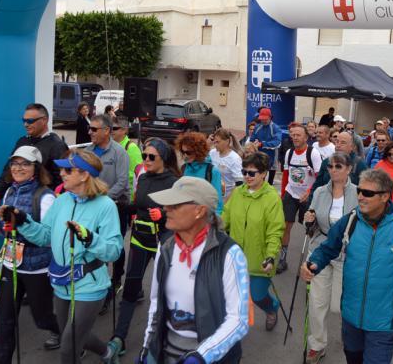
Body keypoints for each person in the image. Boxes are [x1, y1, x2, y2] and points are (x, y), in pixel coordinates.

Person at [301, 169, 393, 364]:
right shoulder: (351, 221)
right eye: (360, 191)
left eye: (368, 193)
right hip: (351, 317)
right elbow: (328, 248)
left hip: (383, 322)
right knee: (353, 359)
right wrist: (313, 264)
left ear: (384, 197)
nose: (361, 197)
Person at [2, 149, 123, 363]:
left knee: (69, 347)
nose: (62, 173)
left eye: (68, 170)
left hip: (89, 286)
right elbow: (45, 236)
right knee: (75, 334)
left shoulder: (106, 206)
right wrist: (23, 221)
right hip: (61, 282)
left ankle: (105, 352)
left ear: (84, 174)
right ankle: (107, 352)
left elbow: (114, 250)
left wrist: (89, 238)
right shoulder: (62, 200)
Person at [140, 177, 250, 364]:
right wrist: (147, 348)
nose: (166, 209)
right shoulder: (165, 248)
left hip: (211, 358)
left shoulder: (230, 254)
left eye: (175, 205)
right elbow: (156, 305)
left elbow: (239, 319)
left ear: (199, 210)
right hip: (166, 354)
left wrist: (201, 356)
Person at [0, 146, 61, 363]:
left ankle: (62, 331)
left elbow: (46, 238)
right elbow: (5, 230)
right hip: (10, 263)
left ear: (36, 168)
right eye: (15, 163)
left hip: (37, 267)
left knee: (41, 318)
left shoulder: (45, 198)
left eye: (25, 164)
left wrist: (22, 222)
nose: (18, 168)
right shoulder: (10, 192)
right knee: (4, 320)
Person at [108, 138, 180, 356]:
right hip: (139, 238)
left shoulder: (176, 181)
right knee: (130, 288)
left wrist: (165, 214)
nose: (146, 160)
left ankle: (164, 339)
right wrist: (119, 206)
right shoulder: (144, 177)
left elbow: (183, 211)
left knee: (165, 293)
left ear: (164, 159)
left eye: (151, 157)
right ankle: (119, 337)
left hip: (164, 241)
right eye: (144, 156)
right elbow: (139, 206)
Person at [303, 153, 358, 364]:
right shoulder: (319, 192)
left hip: (347, 253)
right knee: (317, 303)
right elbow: (311, 226)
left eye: (338, 166)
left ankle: (350, 338)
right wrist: (310, 220)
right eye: (331, 167)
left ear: (349, 169)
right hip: (322, 249)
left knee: (337, 306)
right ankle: (317, 345)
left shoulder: (357, 193)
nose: (333, 170)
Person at [223, 152, 285, 330]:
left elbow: (275, 231)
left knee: (257, 296)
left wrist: (271, 256)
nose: (247, 177)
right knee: (233, 296)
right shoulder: (237, 193)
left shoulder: (271, 198)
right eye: (244, 172)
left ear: (264, 173)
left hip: (260, 260)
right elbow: (224, 219)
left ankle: (272, 309)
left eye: (252, 173)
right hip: (235, 259)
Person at [86, 114, 130, 313]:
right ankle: (98, 287)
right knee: (95, 244)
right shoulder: (88, 152)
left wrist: (101, 200)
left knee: (116, 244)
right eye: (90, 129)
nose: (90, 132)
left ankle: (116, 279)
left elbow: (122, 183)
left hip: (116, 206)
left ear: (106, 131)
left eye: (94, 129)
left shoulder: (120, 153)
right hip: (93, 207)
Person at [0, 103, 69, 210]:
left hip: (40, 205)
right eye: (24, 120)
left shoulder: (57, 145)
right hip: (16, 199)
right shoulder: (22, 141)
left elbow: (61, 178)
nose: (26, 124)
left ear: (44, 120)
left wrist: (46, 200)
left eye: (30, 121)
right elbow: (7, 170)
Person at [278, 123, 323, 273]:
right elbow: (286, 174)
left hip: (307, 196)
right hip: (291, 193)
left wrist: (309, 192)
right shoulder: (289, 152)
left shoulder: (313, 153)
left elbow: (320, 177)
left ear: (306, 137)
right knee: (285, 226)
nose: (295, 137)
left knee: (310, 229)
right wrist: (283, 193)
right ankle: (282, 259)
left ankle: (312, 261)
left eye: (298, 135)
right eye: (293, 135)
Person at [176, 132, 224, 215]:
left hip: (205, 219)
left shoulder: (212, 171)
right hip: (186, 218)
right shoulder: (183, 168)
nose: (185, 156)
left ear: (198, 151)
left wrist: (213, 224)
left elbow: (218, 204)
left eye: (188, 152)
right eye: (183, 152)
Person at [311, 132, 367, 196]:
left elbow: (365, 190)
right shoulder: (326, 162)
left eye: (343, 143)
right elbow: (317, 185)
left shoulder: (359, 164)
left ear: (352, 147)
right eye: (337, 142)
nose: (338, 145)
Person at [112, 116, 142, 200]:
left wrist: (131, 198)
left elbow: (135, 174)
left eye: (114, 128)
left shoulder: (131, 148)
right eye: (109, 128)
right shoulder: (109, 146)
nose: (111, 131)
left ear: (124, 130)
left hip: (125, 197)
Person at [210, 129, 243, 201]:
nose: (215, 145)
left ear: (227, 141)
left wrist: (227, 201)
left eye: (218, 142)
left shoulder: (235, 158)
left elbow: (240, 183)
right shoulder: (212, 153)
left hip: (226, 199)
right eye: (214, 142)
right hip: (212, 196)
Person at [251, 108, 282, 185]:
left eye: (265, 119)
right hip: (259, 157)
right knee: (259, 179)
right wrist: (253, 143)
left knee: (269, 182)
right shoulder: (257, 127)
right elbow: (252, 139)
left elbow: (277, 143)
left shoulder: (275, 128)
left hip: (272, 157)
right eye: (262, 119)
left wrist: (262, 144)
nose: (263, 121)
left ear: (270, 117)